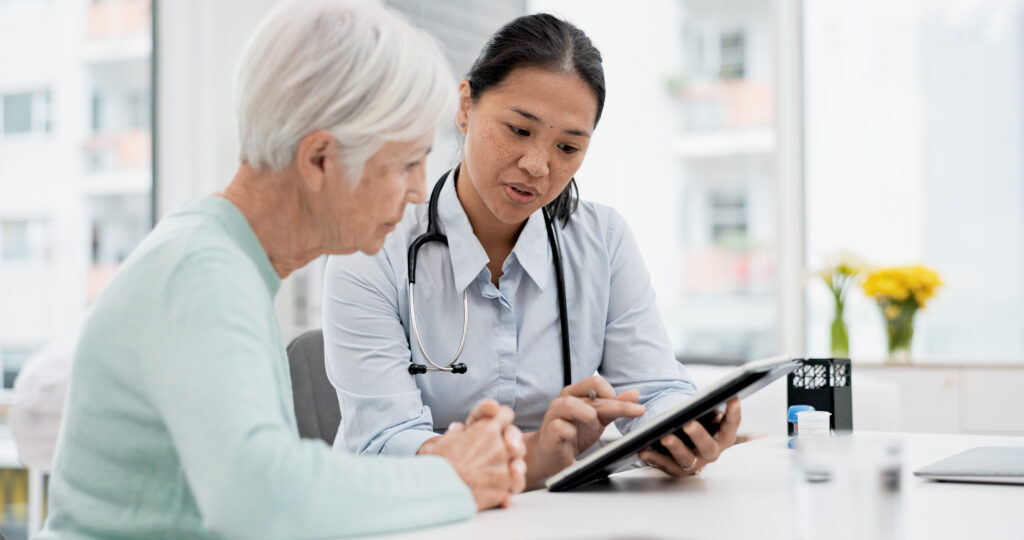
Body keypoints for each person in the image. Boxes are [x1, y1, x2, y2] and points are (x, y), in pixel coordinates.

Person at [38, 2, 526, 538]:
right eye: (406, 163)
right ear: (319, 159)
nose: (417, 190)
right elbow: (261, 497)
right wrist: (454, 476)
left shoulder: (218, 259)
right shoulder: (203, 276)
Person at [323, 12, 741, 488]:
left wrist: (681, 430)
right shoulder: (373, 248)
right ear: (465, 106)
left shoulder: (602, 239)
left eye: (568, 147)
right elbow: (384, 444)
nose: (538, 166)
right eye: (519, 131)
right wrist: (535, 455)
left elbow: (655, 389)